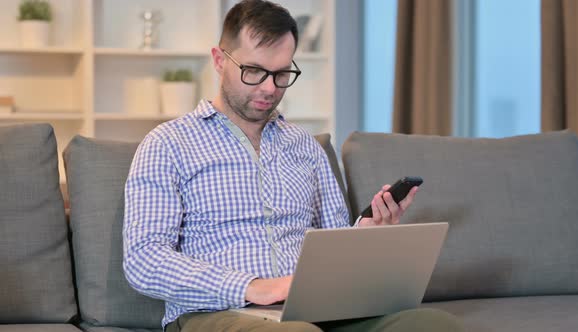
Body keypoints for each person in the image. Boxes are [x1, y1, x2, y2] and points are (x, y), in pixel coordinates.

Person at [123, 1, 464, 331]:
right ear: (218, 60)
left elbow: (334, 243)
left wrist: (368, 232)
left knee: (434, 325)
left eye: (282, 73)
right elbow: (143, 261)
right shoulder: (168, 144)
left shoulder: (306, 146)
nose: (270, 88)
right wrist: (253, 287)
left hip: (316, 311)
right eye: (254, 71)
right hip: (216, 313)